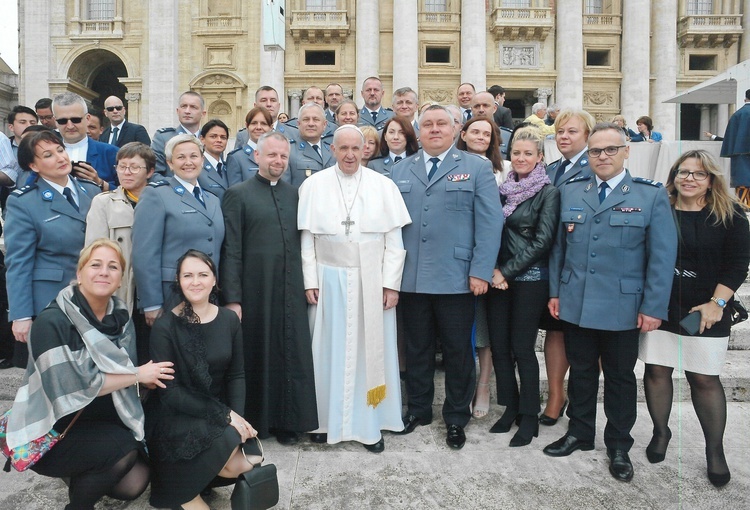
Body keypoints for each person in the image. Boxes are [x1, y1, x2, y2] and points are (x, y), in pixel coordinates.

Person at [544, 122, 677, 483]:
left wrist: (653, 307)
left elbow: (662, 258)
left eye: (610, 150)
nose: (602, 157)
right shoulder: (571, 191)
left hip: (624, 306)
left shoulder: (649, 195)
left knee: (619, 378)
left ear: (626, 151)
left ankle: (618, 444)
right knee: (582, 373)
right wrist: (556, 292)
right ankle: (579, 433)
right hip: (577, 302)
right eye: (595, 151)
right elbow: (558, 249)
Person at [5, 239, 174, 510]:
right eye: (95, 265)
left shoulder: (120, 317)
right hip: (53, 428)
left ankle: (83, 471)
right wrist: (137, 374)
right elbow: (69, 388)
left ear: (121, 279)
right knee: (122, 449)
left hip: (96, 419)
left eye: (113, 267)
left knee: (135, 481)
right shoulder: (53, 322)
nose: (104, 272)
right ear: (79, 274)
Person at [393, 105, 503, 450]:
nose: (435, 129)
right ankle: (420, 409)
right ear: (419, 131)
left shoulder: (476, 168)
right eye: (427, 124)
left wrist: (481, 271)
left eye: (442, 123)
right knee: (417, 349)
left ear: (456, 129)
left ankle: (456, 417)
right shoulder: (400, 170)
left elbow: (490, 223)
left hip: (458, 278)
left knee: (458, 351)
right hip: (411, 278)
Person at [639, 150, 749, 487]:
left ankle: (714, 450)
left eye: (698, 174)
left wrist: (717, 303)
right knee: (657, 371)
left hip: (706, 310)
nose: (689, 178)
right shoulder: (659, 210)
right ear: (672, 176)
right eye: (682, 172)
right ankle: (661, 432)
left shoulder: (730, 215)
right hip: (662, 306)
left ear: (712, 179)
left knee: (704, 379)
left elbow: (737, 263)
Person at [298, 125, 412, 452]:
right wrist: (310, 281)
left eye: (355, 149)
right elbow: (307, 241)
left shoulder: (384, 186)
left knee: (370, 353)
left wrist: (391, 284)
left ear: (365, 151)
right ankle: (321, 422)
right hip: (328, 279)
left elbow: (394, 242)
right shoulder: (313, 185)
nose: (349, 155)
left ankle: (369, 424)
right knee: (325, 350)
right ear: (332, 150)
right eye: (342, 148)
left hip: (372, 280)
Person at [221, 131, 319, 445]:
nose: (277, 161)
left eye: (283, 157)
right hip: (255, 290)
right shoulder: (238, 194)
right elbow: (232, 249)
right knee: (259, 354)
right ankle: (260, 421)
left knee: (290, 351)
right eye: (272, 155)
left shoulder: (295, 194)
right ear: (257, 156)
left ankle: (288, 421)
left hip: (291, 288)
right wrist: (233, 298)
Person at [146, 250, 259, 509]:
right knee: (234, 458)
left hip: (216, 409)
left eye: (202, 274)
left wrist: (237, 419)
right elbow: (171, 394)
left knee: (248, 461)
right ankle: (184, 490)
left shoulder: (229, 319)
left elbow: (237, 375)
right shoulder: (165, 327)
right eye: (188, 275)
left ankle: (193, 483)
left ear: (214, 281)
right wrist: (226, 415)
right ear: (178, 281)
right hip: (176, 417)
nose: (195, 281)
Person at [485, 127, 560, 446]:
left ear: (540, 157)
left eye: (528, 153)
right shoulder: (502, 189)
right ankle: (510, 407)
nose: (521, 158)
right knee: (500, 348)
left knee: (522, 348)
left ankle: (529, 415)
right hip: (497, 278)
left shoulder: (548, 192)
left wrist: (507, 272)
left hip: (529, 280)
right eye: (516, 153)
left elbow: (543, 241)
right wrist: (490, 268)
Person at [5, 130, 102, 369]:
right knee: (55, 375)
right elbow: (19, 262)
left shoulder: (91, 191)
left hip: (93, 297)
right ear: (33, 165)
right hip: (51, 301)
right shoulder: (24, 201)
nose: (60, 158)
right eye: (48, 155)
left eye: (60, 150)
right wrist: (21, 315)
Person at [132, 134, 225, 327]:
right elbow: (144, 253)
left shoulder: (213, 199)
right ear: (170, 163)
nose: (188, 162)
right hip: (171, 294)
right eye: (181, 157)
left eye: (194, 156)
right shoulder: (156, 194)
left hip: (207, 295)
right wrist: (151, 302)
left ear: (202, 159)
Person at [539, 109, 595, 426]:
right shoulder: (551, 169)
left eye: (572, 132)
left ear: (587, 136)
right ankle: (556, 395)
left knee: (586, 335)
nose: (563, 137)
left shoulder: (596, 167)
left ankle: (580, 397)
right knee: (555, 329)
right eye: (559, 132)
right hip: (552, 263)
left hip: (582, 262)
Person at [86, 142, 156, 364]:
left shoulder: (160, 201)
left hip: (152, 289)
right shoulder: (104, 202)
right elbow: (94, 250)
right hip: (121, 289)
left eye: (134, 167)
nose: (127, 172)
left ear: (150, 171)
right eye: (121, 166)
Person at [455, 116, 506, 418]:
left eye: (486, 133)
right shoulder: (453, 165)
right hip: (459, 258)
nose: (480, 137)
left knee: (484, 329)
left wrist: (491, 265)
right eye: (475, 131)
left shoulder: (505, 170)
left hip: (492, 260)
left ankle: (484, 385)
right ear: (463, 134)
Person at [53, 92, 118, 191]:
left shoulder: (111, 153)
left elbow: (130, 194)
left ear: (87, 119)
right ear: (55, 121)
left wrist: (100, 183)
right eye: (62, 121)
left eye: (76, 120)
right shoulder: (45, 155)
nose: (70, 126)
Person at [151, 91, 206, 176]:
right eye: (184, 106)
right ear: (177, 111)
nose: (187, 111)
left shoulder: (210, 139)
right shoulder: (163, 138)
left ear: (203, 113)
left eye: (193, 107)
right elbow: (154, 174)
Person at [287, 103, 335, 186]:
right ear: (298, 124)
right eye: (306, 119)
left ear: (324, 125)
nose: (311, 124)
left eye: (316, 119)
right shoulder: (288, 151)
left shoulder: (333, 151)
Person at [226, 107, 273, 186]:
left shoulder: (278, 156)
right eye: (254, 123)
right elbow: (235, 193)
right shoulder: (236, 158)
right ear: (247, 126)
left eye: (263, 124)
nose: (258, 127)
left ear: (271, 128)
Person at [720, 89, 750, 206]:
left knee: (742, 179)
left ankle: (743, 205)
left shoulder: (737, 114)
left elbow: (731, 136)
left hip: (739, 153)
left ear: (745, 99)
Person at [197, 119, 229, 200]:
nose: (219, 140)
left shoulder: (229, 167)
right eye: (213, 136)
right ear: (202, 139)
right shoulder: (196, 167)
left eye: (223, 137)